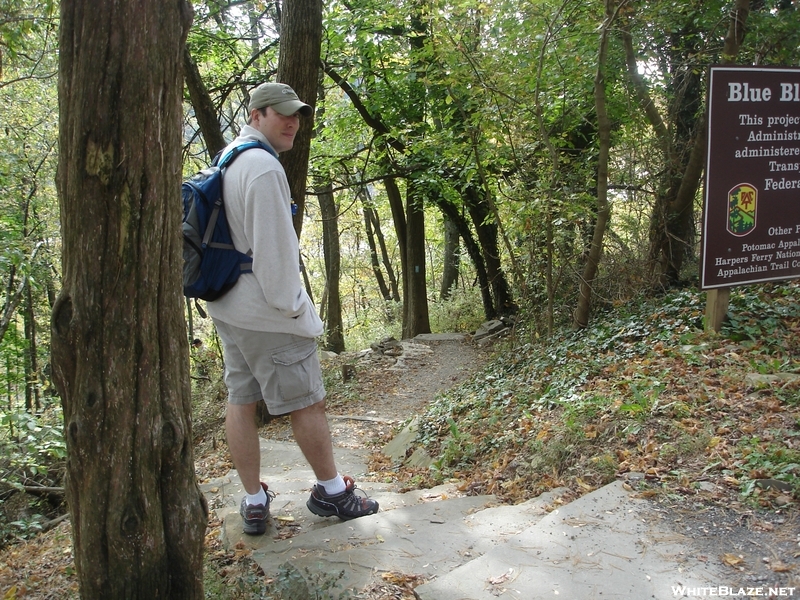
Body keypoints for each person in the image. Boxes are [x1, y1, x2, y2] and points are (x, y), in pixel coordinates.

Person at [207, 82, 379, 535]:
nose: (291, 123)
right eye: (280, 114)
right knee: (307, 402)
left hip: (226, 304)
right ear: (255, 114)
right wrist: (297, 313)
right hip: (265, 312)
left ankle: (254, 500)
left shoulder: (229, 157)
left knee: (241, 400)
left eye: (297, 115)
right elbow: (276, 258)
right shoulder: (263, 168)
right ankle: (334, 494)